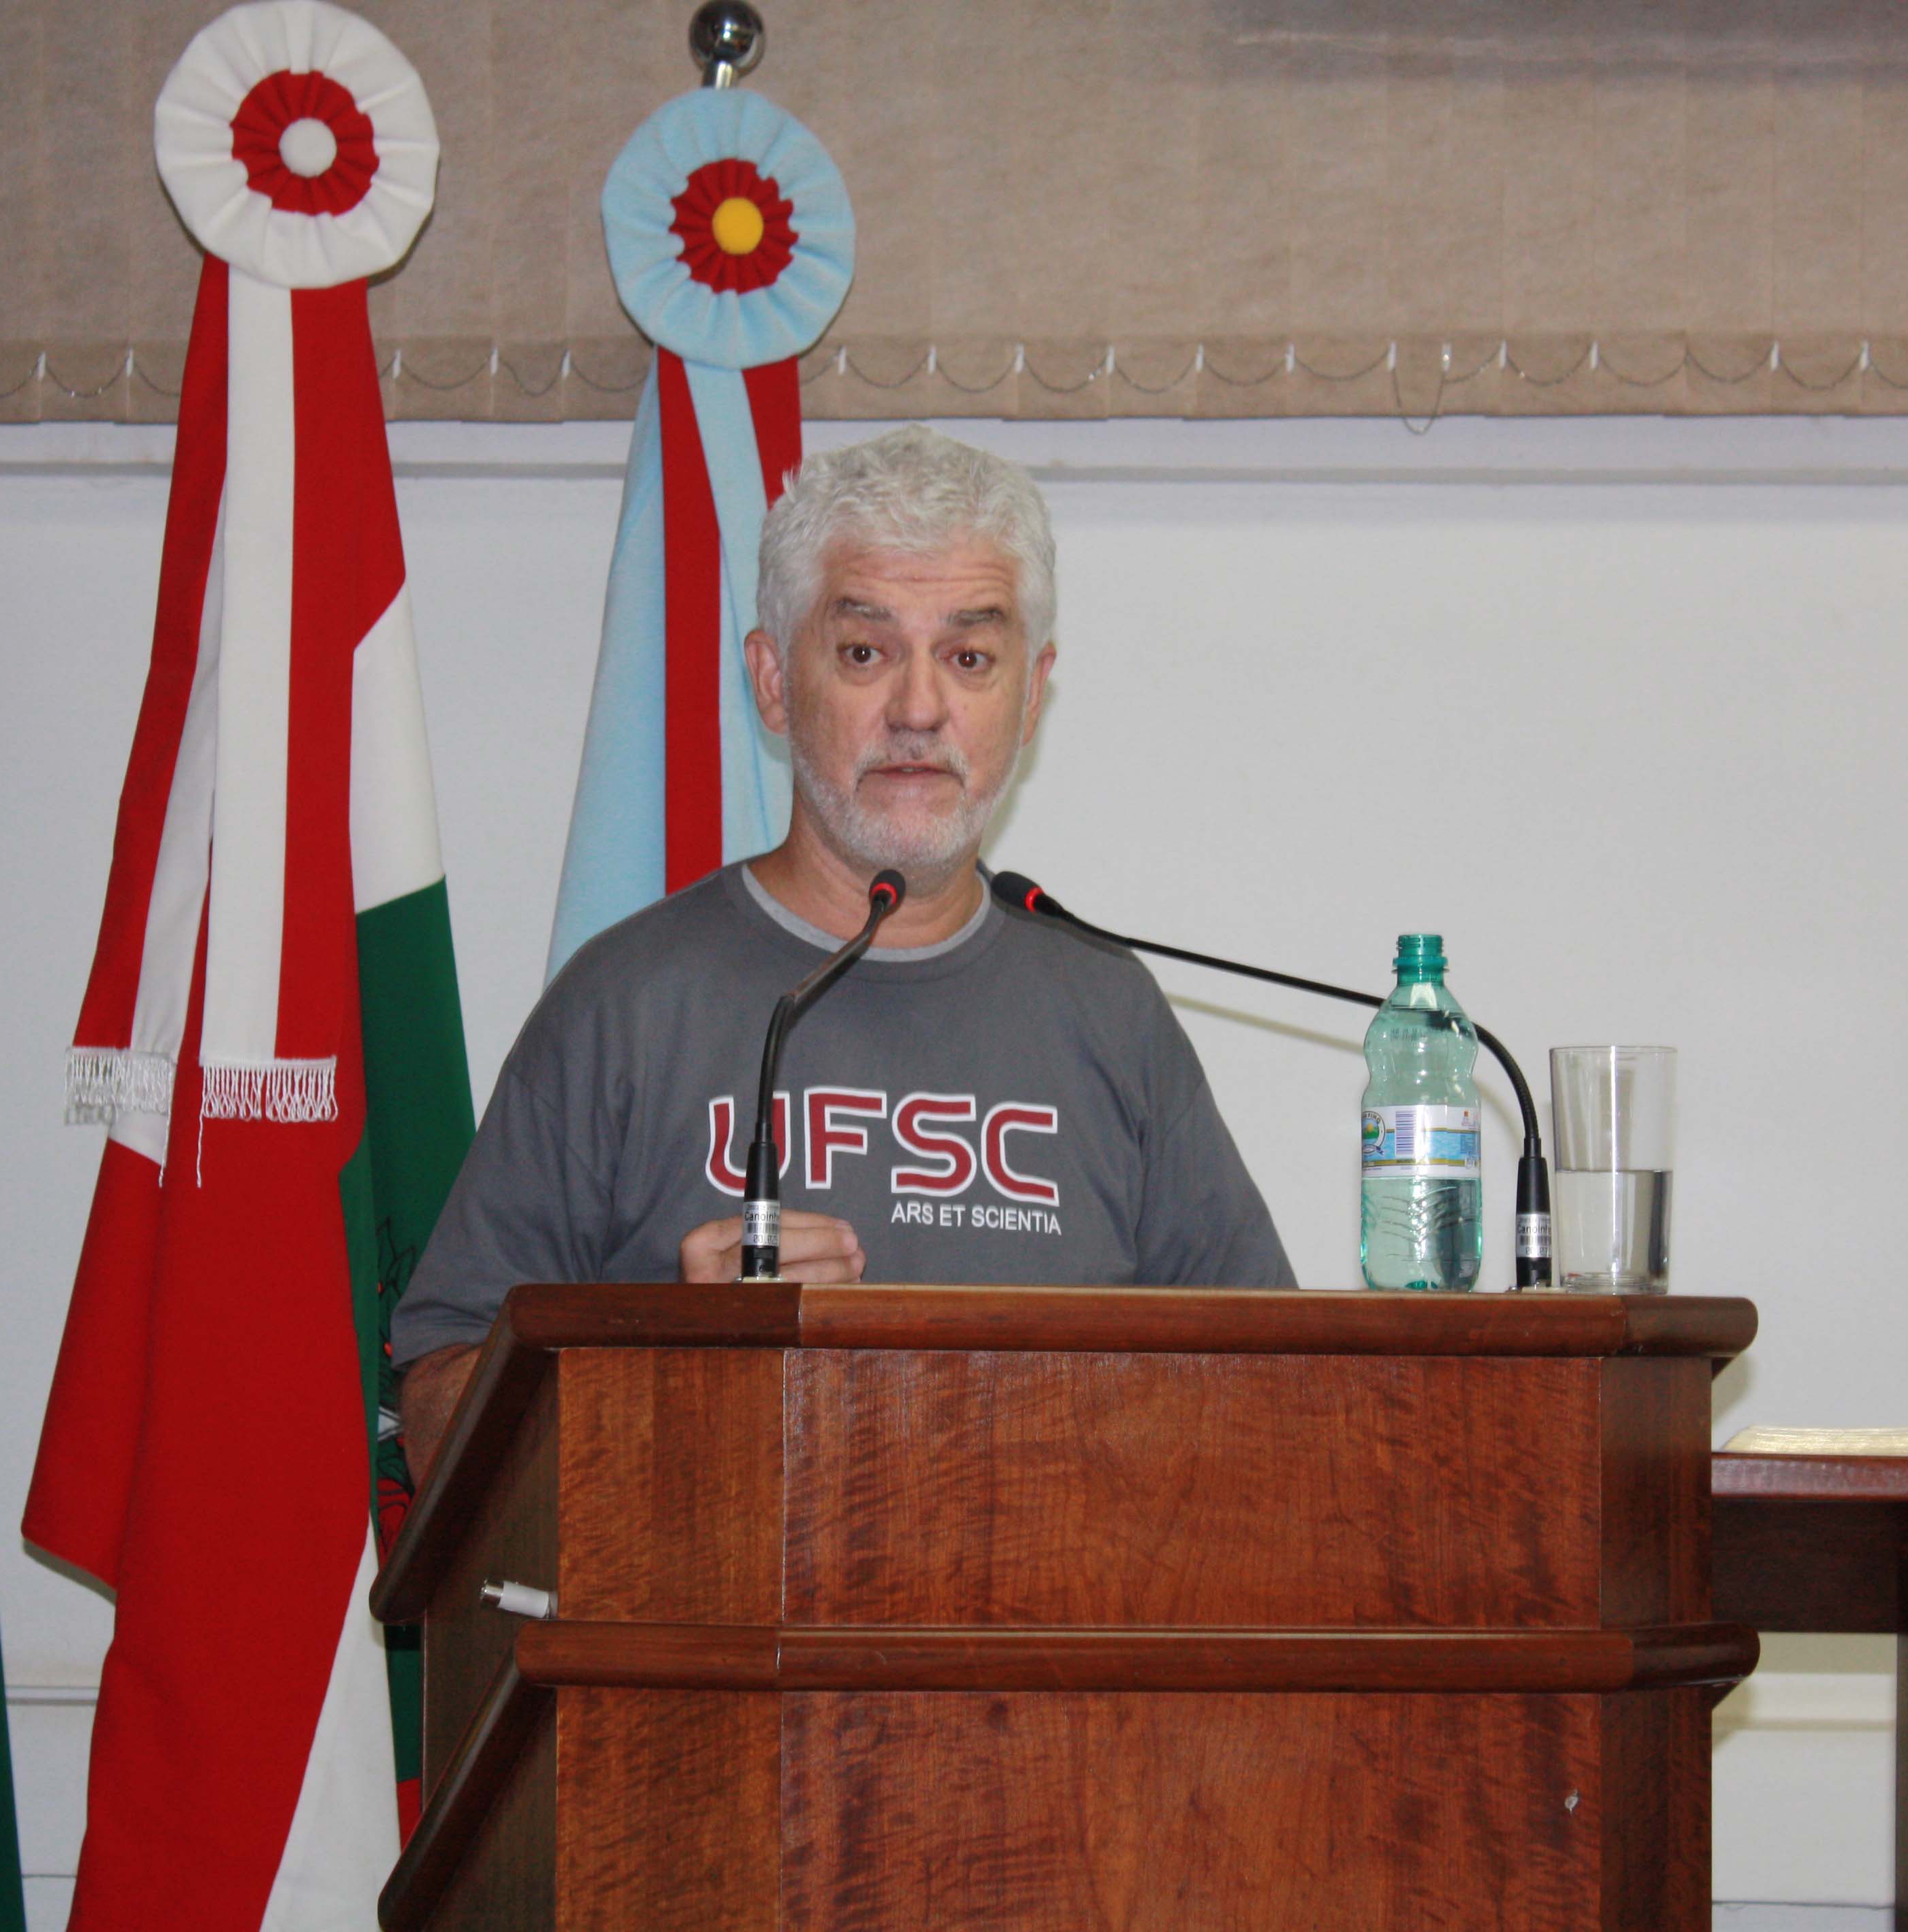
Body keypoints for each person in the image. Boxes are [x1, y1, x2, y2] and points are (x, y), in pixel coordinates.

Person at [391, 425, 1291, 1481]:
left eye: (969, 657)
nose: (918, 711)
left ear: (1033, 692)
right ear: (774, 682)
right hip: (713, 1630)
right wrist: (666, 1349)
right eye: (865, 653)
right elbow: (437, 1407)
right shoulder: (627, 1002)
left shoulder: (1109, 1014)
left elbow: (1272, 1399)